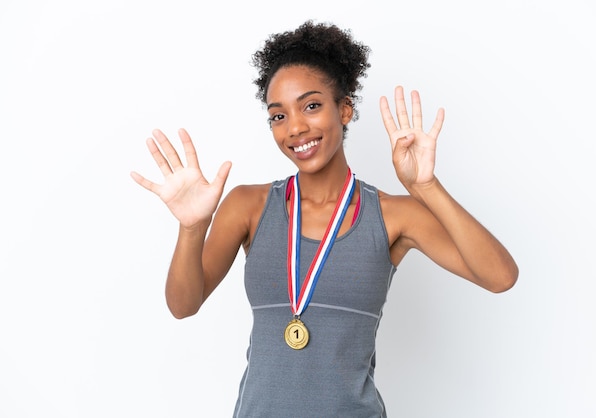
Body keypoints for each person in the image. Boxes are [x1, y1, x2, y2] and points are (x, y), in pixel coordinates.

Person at [131, 20, 518, 418]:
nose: (295, 127)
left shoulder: (393, 214)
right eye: (278, 116)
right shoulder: (248, 205)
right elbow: (183, 305)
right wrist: (192, 228)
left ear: (345, 109)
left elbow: (500, 276)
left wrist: (426, 186)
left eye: (311, 106)